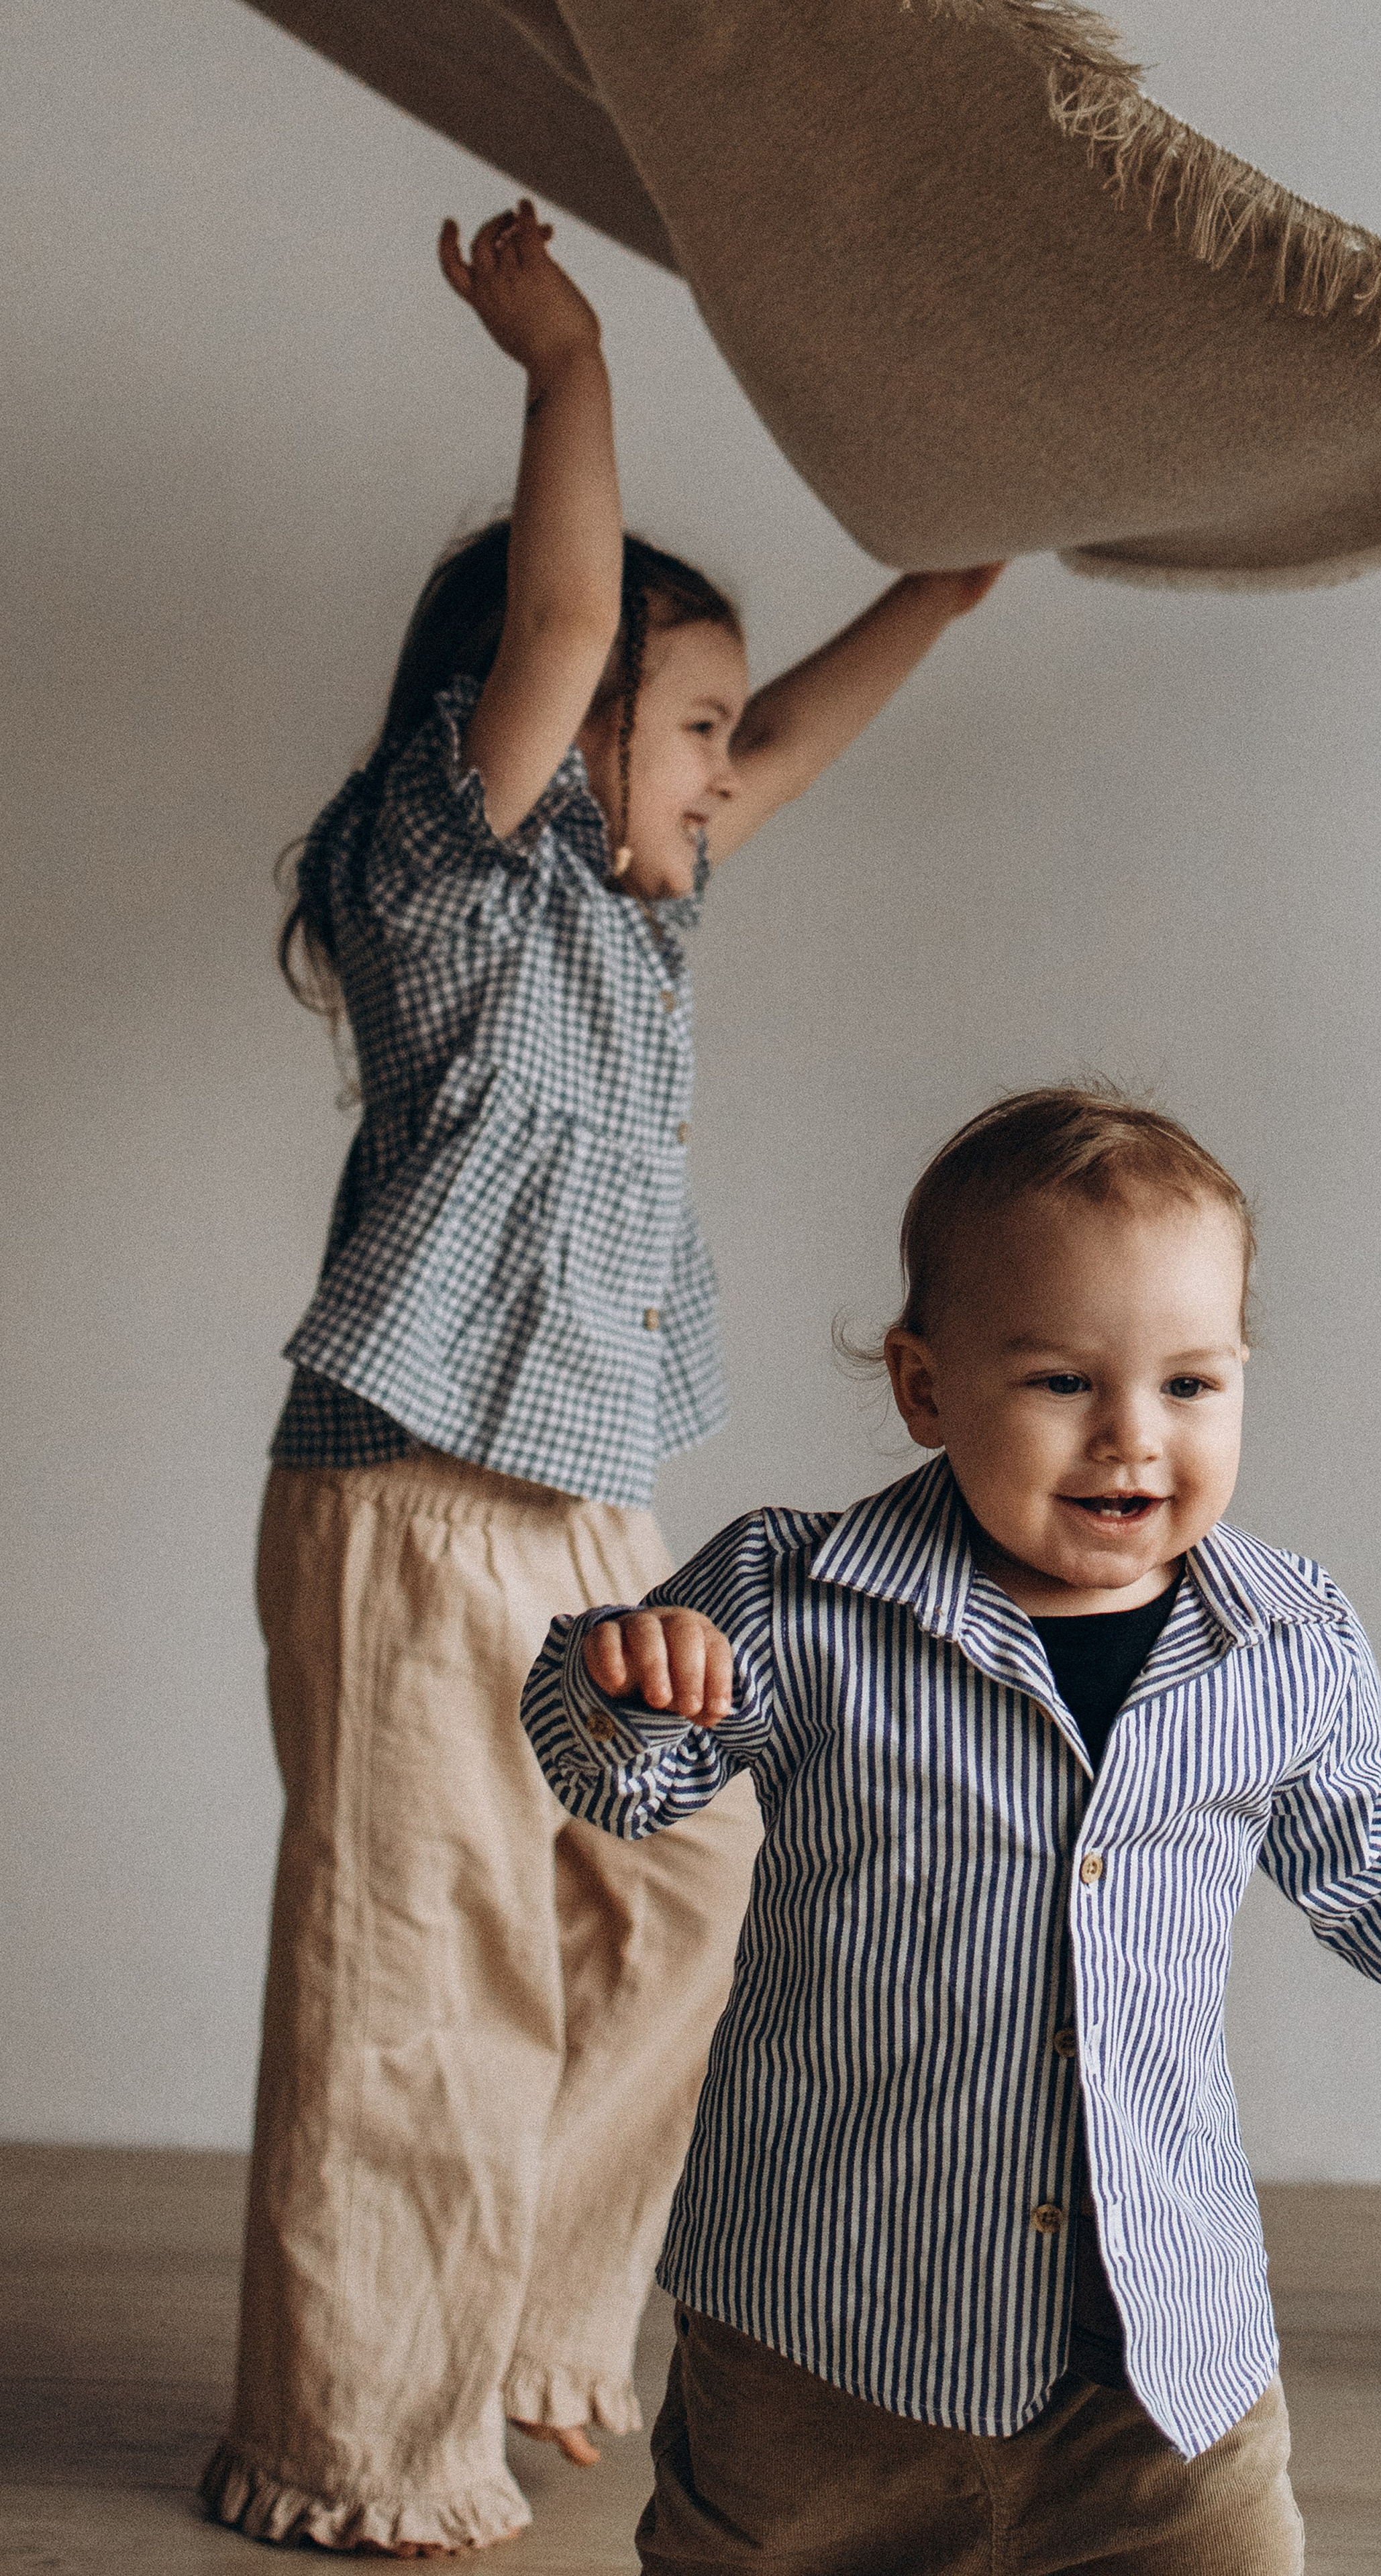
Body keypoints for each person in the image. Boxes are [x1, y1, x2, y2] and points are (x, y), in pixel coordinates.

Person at [201, 199, 1003, 2558]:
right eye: (685, 726)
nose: (721, 766)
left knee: (688, 1876)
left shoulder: (645, 906)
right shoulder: (449, 877)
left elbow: (781, 743)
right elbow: (570, 620)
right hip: (416, 1498)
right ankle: (360, 2442)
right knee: (416, 1973)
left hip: (583, 1502)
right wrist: (565, 367)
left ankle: (525, 2317)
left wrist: (940, 599)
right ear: (537, 737)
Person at [520, 1084, 1381, 2576]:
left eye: (1189, 1385)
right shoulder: (795, 1599)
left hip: (1154, 2356)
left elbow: (1374, 1847)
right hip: (821, 2331)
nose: (1130, 1436)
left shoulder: (1281, 1641)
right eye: (1058, 1381)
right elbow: (619, 1782)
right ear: (925, 1390)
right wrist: (627, 1683)